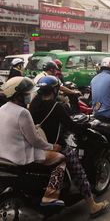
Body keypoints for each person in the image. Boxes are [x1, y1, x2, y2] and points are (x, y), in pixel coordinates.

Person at [29, 76, 109, 218]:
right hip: (56, 147)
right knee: (80, 173)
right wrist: (88, 125)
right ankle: (93, 206)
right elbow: (73, 127)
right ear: (55, 89)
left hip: (35, 147)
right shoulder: (56, 106)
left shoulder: (34, 104)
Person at [0, 77, 66, 206]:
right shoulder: (23, 112)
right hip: (20, 156)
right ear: (17, 95)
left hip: (3, 155)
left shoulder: (2, 109)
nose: (29, 96)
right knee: (61, 159)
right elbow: (35, 140)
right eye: (26, 94)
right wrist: (52, 146)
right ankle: (50, 196)